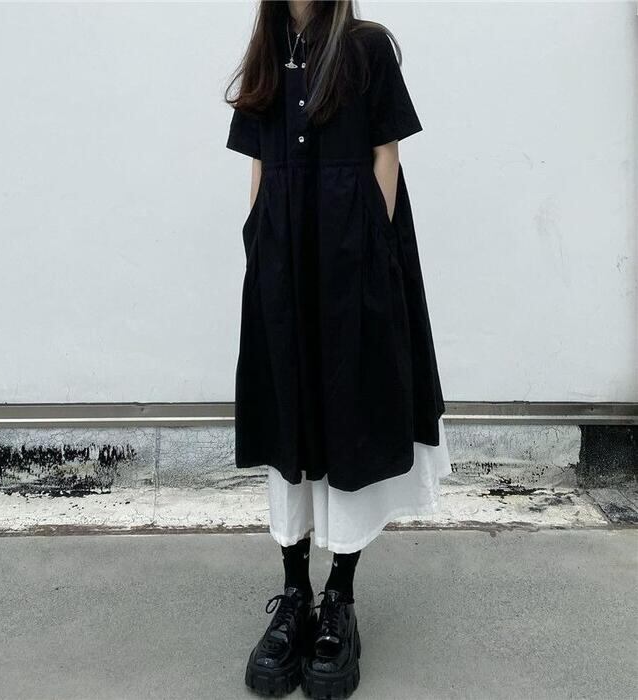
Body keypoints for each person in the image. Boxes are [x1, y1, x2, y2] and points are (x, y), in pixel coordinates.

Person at [224, 1, 451, 697]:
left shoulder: (366, 47)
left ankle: (339, 599)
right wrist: (259, 242)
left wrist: (372, 249)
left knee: (349, 411)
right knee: (288, 413)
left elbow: (386, 153)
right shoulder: (266, 53)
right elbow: (259, 161)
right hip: (283, 258)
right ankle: (294, 595)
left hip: (354, 257)